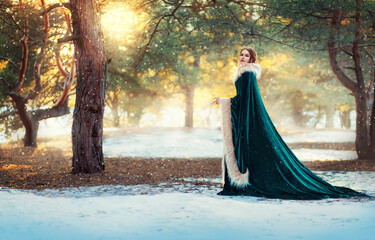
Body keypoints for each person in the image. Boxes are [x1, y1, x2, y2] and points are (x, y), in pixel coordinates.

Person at [213, 47, 369, 200]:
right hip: (247, 116)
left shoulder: (247, 74)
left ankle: (253, 182)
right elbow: (244, 99)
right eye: (241, 55)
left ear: (251, 59)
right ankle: (246, 183)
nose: (242, 57)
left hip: (249, 118)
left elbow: (245, 99)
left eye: (246, 56)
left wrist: (225, 101)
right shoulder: (243, 73)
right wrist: (229, 101)